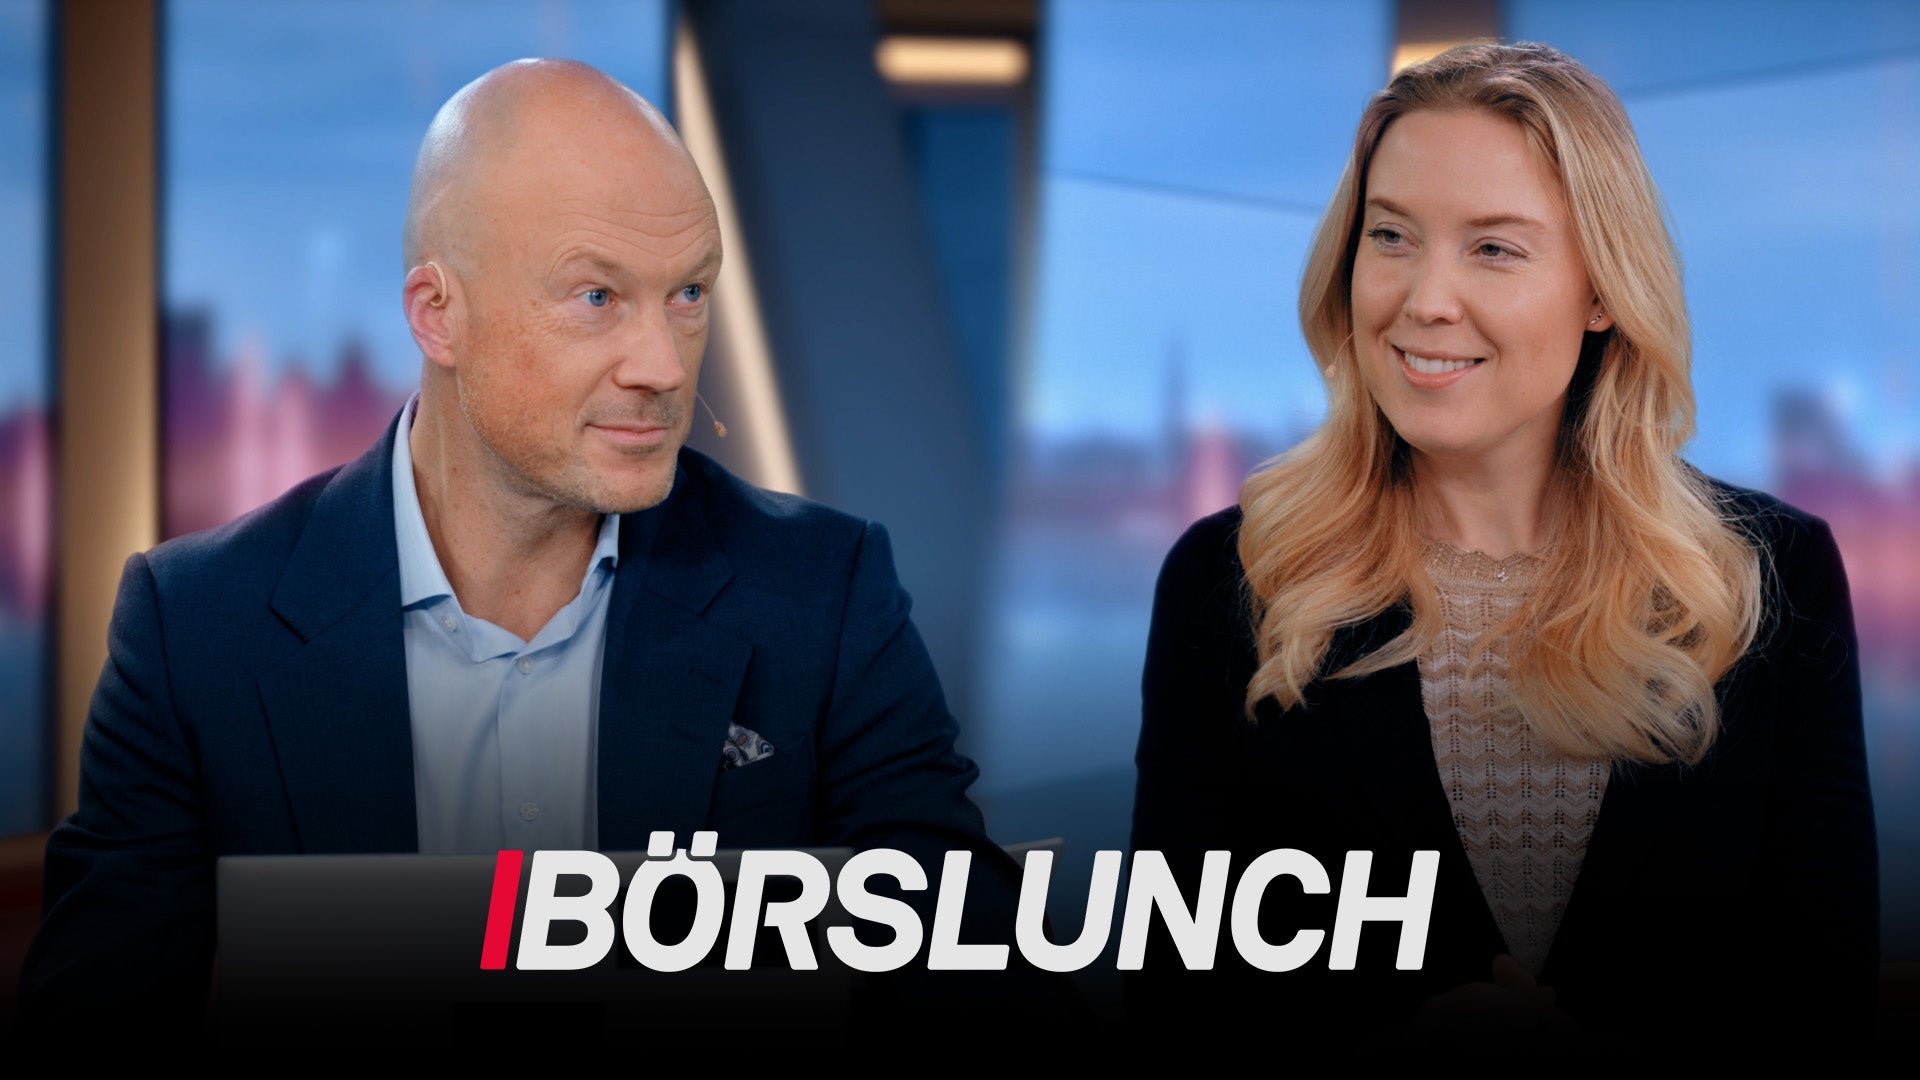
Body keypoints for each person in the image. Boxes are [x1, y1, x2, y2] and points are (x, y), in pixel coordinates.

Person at [23, 58, 1033, 1028]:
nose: (663, 365)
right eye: (597, 297)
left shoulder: (825, 591)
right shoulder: (196, 629)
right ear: (438, 316)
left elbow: (969, 974)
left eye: (688, 293)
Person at [1130, 43, 1877, 1048]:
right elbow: (1173, 1005)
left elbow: (1825, 1000)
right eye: (1391, 235)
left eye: (1493, 248)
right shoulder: (1232, 580)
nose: (1425, 299)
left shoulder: (1769, 576)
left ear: (1602, 290)